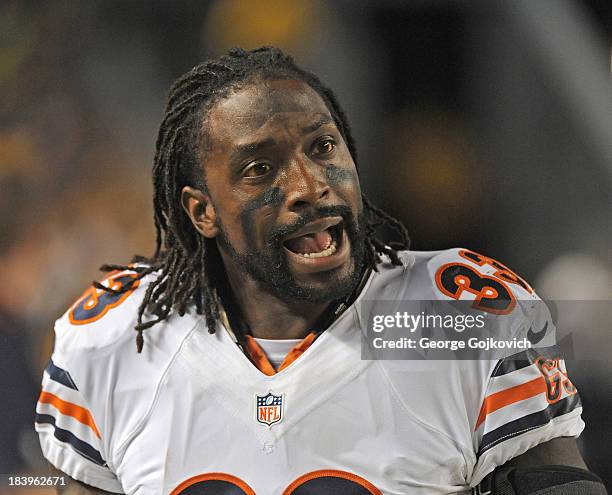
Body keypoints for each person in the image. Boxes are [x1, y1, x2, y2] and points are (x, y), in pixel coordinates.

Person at [35, 47, 605, 494]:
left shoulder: (448, 318)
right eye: (261, 168)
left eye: (324, 147)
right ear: (201, 210)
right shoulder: (116, 342)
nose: (311, 186)